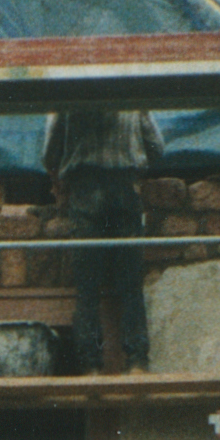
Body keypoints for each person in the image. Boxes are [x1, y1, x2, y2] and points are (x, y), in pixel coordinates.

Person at [42, 107, 164, 373]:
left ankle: (91, 367)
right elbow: (156, 146)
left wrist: (59, 177)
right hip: (124, 187)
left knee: (87, 288)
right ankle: (137, 364)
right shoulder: (133, 94)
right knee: (131, 284)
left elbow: (49, 151)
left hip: (85, 190)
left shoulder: (66, 94)